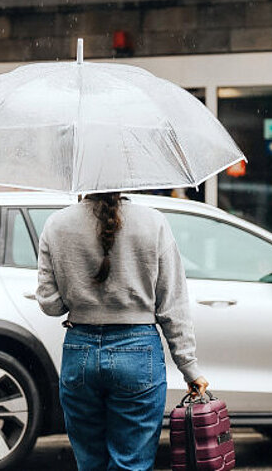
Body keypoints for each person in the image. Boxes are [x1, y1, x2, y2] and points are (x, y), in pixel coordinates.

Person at [36, 193, 208, 471]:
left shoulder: (56, 224)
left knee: (90, 463)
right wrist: (189, 367)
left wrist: (82, 294)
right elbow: (172, 303)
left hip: (79, 352)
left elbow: (50, 304)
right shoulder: (154, 223)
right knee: (131, 463)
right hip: (138, 352)